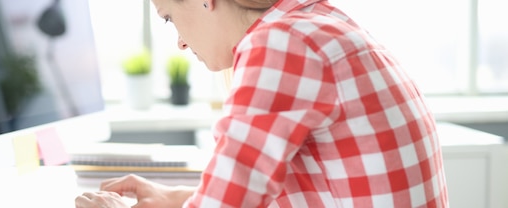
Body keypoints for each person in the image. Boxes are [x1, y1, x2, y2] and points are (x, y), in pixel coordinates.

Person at [75, 0, 450, 207]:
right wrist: (175, 198)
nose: (181, 43)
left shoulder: (281, 43)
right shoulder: (315, 20)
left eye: (170, 17)